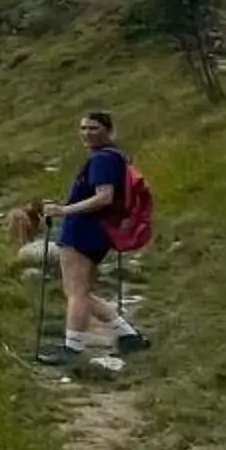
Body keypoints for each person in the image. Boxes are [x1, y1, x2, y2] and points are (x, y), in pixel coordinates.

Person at [47, 109, 144, 358]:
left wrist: (63, 210)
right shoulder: (116, 157)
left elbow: (104, 197)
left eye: (93, 128)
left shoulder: (102, 159)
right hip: (97, 232)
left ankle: (72, 349)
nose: (86, 134)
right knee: (79, 291)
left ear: (108, 131)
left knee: (76, 292)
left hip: (82, 231)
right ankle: (128, 336)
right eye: (83, 128)